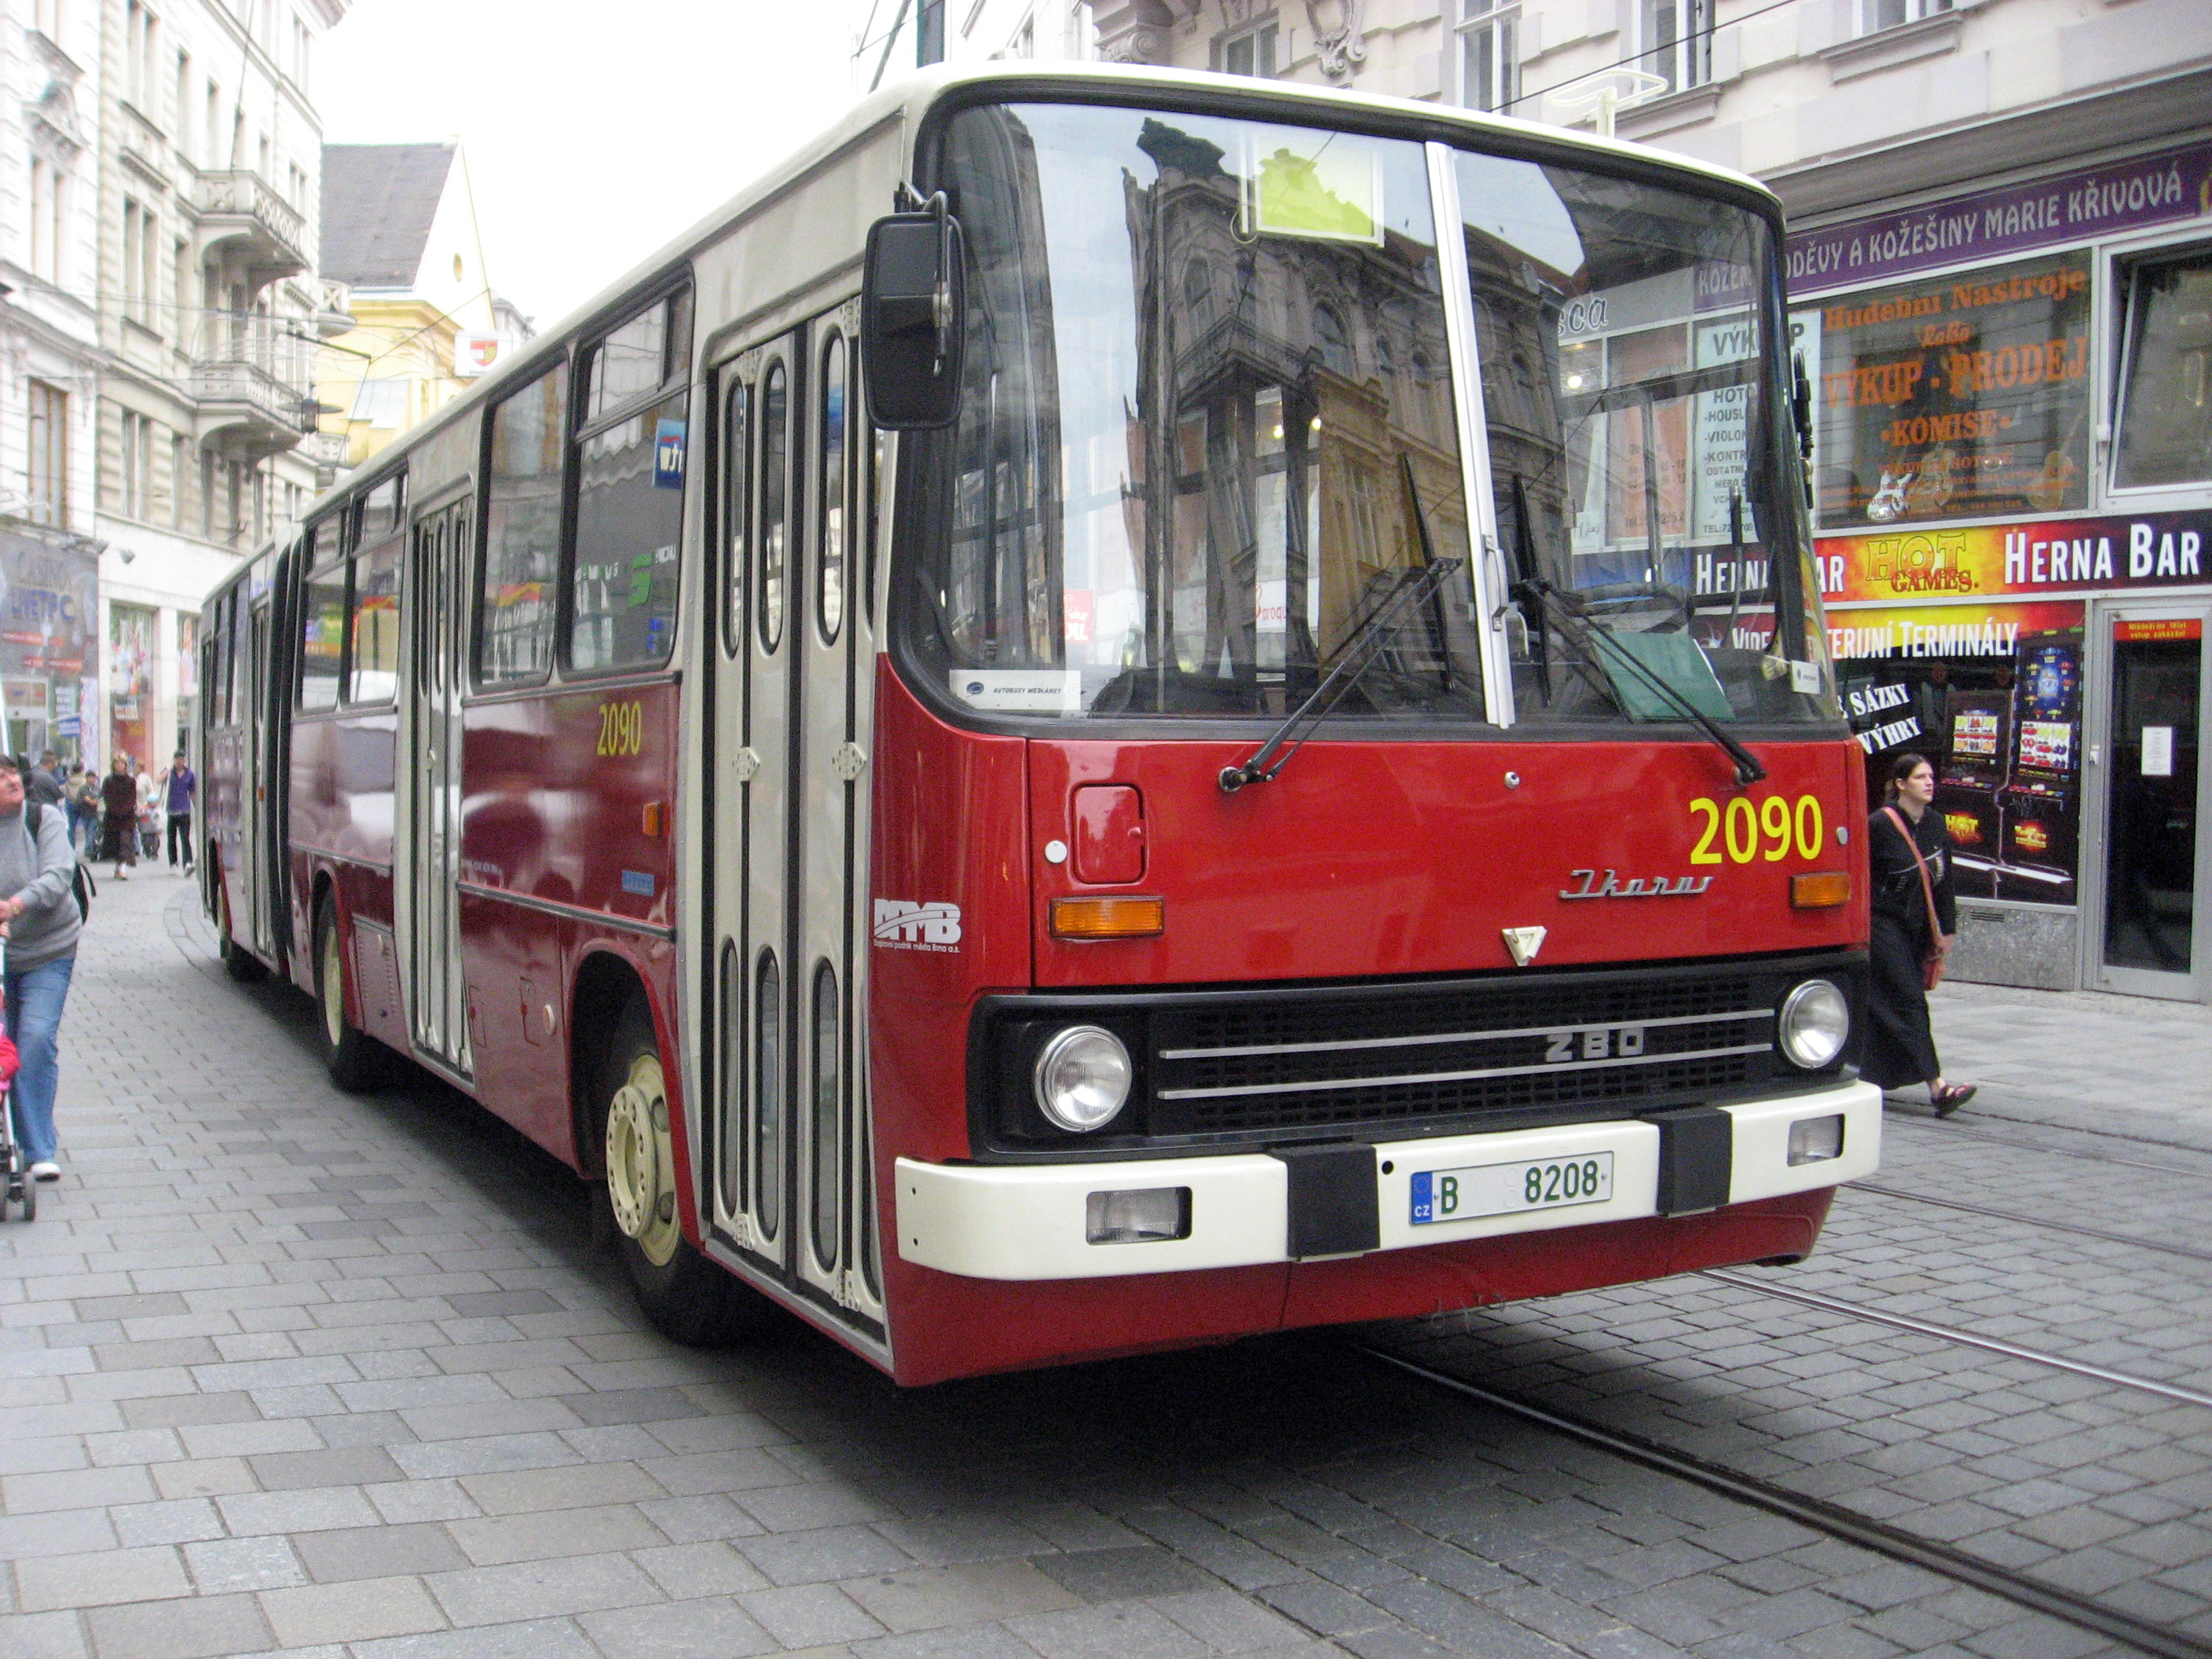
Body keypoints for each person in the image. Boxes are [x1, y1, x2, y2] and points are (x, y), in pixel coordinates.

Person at [1863, 753, 1976, 1115]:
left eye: (1931, 776)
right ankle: (1938, 1087)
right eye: (1920, 777)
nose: (1929, 783)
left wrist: (1948, 929)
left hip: (1916, 928)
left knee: (1886, 1002)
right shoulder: (1879, 825)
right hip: (1882, 925)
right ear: (1900, 785)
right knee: (1910, 1000)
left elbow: (1944, 882)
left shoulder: (1936, 824)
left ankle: (1869, 1075)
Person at [0, 754, 82, 1183]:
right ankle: (9, 1138)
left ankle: (38, 1147)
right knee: (3, 1048)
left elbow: (57, 876)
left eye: (11, 771)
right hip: (0, 955)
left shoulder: (42, 817)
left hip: (50, 948)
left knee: (32, 1039)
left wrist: (13, 906)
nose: (11, 779)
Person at [100, 754, 139, 881]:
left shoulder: (131, 781)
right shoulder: (108, 781)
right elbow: (107, 798)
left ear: (126, 765)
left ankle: (122, 869)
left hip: (127, 818)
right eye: (117, 763)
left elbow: (132, 799)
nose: (120, 765)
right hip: (112, 818)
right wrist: (115, 810)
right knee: (115, 844)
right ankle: (118, 867)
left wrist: (124, 811)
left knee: (125, 843)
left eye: (122, 763)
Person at [159, 749, 196, 873]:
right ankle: (173, 863)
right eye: (177, 759)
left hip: (184, 810)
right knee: (171, 838)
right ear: (174, 759)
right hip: (171, 810)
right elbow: (158, 780)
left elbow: (192, 792)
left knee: (185, 838)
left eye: (181, 759)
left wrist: (196, 807)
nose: (179, 761)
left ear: (184, 760)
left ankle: (188, 863)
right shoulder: (169, 772)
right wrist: (168, 770)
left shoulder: (189, 774)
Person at [65, 765, 99, 855]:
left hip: (72, 804)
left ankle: (71, 849)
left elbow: (67, 793)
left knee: (71, 828)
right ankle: (88, 848)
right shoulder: (84, 781)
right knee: (90, 829)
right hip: (85, 807)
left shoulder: (69, 780)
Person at [134, 759, 160, 861]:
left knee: (152, 830)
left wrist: (152, 804)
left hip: (147, 808)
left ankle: (154, 851)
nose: (134, 769)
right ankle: (145, 848)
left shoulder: (145, 779)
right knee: (143, 831)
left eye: (136, 767)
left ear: (141, 768)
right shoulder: (133, 779)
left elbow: (151, 793)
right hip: (137, 808)